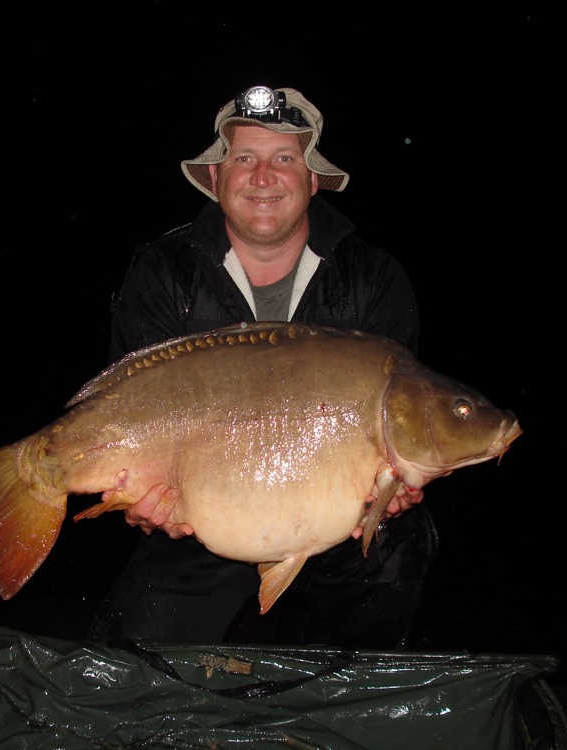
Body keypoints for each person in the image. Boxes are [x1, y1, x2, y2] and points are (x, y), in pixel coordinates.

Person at [86, 85, 438, 649]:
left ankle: (325, 697)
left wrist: (390, 488)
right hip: (198, 522)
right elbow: (127, 407)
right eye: (244, 158)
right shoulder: (164, 273)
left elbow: (402, 416)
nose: (263, 176)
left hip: (341, 530)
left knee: (399, 544)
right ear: (217, 179)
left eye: (283, 159)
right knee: (136, 661)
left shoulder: (374, 278)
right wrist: (146, 500)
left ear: (313, 179)